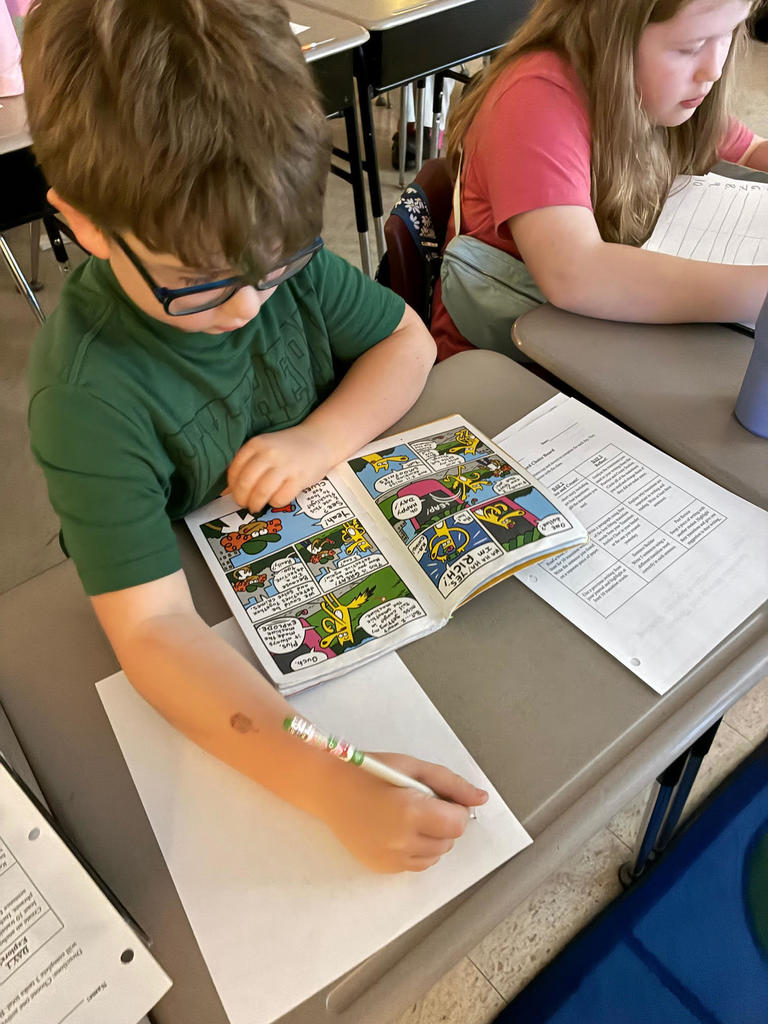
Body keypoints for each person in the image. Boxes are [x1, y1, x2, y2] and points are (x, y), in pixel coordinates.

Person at [22, 0, 487, 873]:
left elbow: (406, 341)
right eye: (195, 286)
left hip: (325, 564)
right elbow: (155, 631)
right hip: (193, 611)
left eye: (274, 265)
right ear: (83, 224)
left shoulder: (275, 261)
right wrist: (329, 780)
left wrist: (319, 438)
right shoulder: (85, 390)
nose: (246, 307)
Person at [431, 0, 768, 360]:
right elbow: (575, 273)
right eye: (691, 47)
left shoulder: (664, 90)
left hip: (600, 347)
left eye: (729, 32)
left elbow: (749, 151)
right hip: (505, 367)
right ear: (610, 30)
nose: (713, 70)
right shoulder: (534, 97)